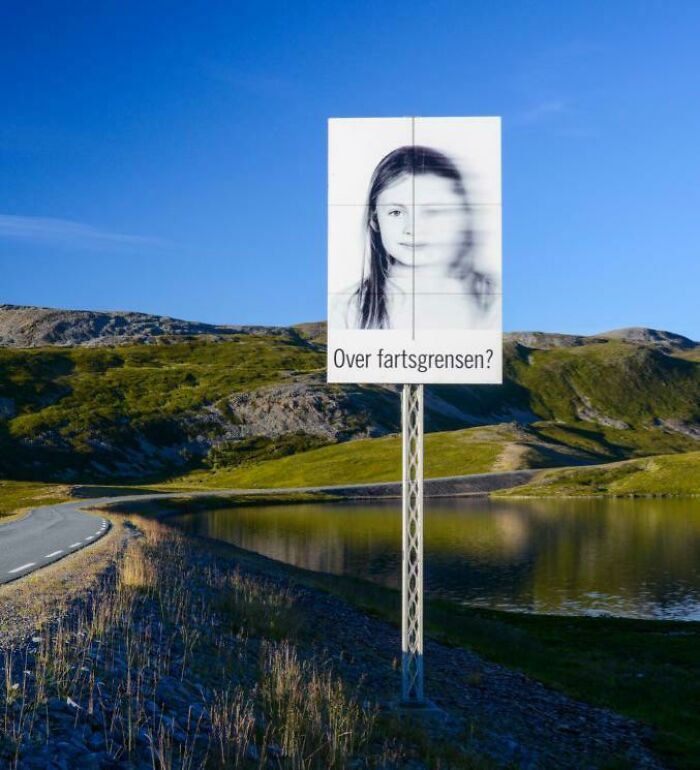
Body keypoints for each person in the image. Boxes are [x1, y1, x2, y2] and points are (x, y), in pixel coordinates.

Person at [338, 145, 497, 330]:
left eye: (432, 211)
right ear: (375, 220)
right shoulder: (347, 309)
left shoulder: (494, 301)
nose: (413, 229)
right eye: (396, 212)